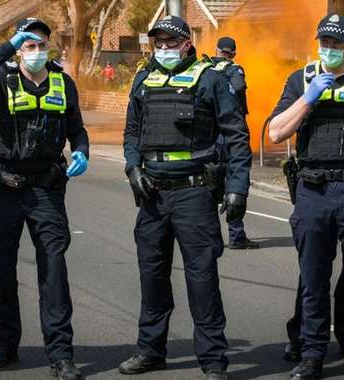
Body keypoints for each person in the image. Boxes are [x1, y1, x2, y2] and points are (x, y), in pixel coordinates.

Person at [119, 16, 252, 380]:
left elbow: (237, 136)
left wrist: (238, 187)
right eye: (158, 42)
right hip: (152, 193)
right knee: (152, 276)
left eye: (170, 42)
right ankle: (150, 350)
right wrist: (133, 168)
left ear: (186, 43)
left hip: (194, 192)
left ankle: (213, 360)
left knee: (202, 279)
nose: (163, 48)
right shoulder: (144, 79)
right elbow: (131, 132)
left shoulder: (210, 79)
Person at [267, 13, 344, 380]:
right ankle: (311, 356)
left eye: (336, 42)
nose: (330, 48)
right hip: (313, 189)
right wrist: (308, 98)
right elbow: (275, 133)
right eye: (324, 42)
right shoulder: (301, 80)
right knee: (312, 281)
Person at [0, 17, 89, 380]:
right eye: (28, 44)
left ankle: (60, 355)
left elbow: (76, 128)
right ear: (19, 49)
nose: (34, 50)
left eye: (39, 44)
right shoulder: (1, 78)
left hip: (46, 187)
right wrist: (8, 46)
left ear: (49, 47)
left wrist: (81, 150)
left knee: (54, 269)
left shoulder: (63, 82)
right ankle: (5, 347)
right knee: (3, 269)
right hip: (3, 186)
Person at [209, 36, 259, 249]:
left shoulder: (205, 69)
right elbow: (239, 87)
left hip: (211, 136)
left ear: (216, 50)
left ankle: (212, 237)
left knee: (211, 187)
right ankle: (236, 236)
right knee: (234, 185)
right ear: (234, 53)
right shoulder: (233, 69)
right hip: (230, 134)